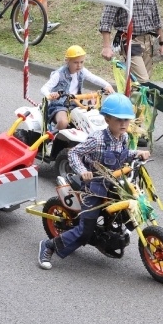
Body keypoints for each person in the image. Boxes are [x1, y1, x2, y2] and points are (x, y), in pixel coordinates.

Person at [37, 93, 149, 269]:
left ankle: (111, 238)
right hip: (93, 187)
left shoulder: (124, 137)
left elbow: (124, 155)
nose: (124, 124)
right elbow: (74, 153)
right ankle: (49, 246)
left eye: (127, 120)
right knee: (85, 231)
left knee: (134, 208)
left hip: (113, 183)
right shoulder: (96, 139)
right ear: (107, 119)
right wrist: (82, 171)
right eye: (119, 120)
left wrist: (137, 154)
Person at [40, 45, 114, 131]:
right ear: (67, 61)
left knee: (90, 119)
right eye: (75, 62)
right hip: (60, 105)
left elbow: (93, 78)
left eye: (81, 62)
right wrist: (50, 95)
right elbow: (44, 88)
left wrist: (107, 85)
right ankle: (51, 138)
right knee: (63, 122)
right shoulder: (59, 74)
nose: (79, 65)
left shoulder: (81, 71)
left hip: (75, 104)